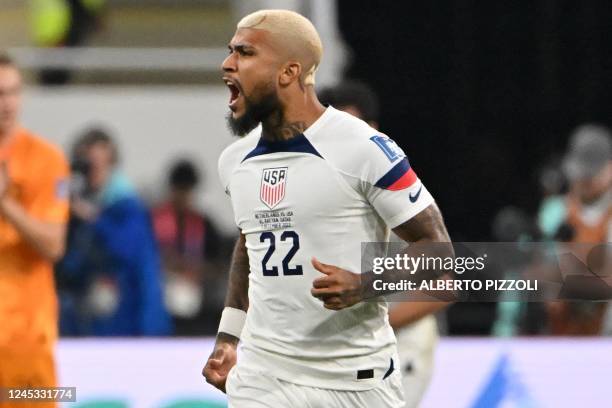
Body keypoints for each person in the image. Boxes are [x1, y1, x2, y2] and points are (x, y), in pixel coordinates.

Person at [202, 10, 451, 408]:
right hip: (265, 378)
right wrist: (229, 338)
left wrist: (366, 283)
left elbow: (440, 253)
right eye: (230, 51)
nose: (227, 64)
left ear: (289, 71)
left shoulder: (366, 148)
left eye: (245, 53)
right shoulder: (234, 161)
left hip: (356, 381)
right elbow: (249, 244)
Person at [0, 53, 69, 407]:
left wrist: (6, 203)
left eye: (12, 92)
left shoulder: (46, 159)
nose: (6, 103)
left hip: (26, 343)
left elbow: (54, 246)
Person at [56, 128, 171, 336]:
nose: (92, 172)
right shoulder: (77, 208)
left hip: (131, 317)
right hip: (89, 318)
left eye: (98, 164)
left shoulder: (126, 205)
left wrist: (93, 218)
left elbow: (126, 251)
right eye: (86, 165)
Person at [152, 159, 229, 335]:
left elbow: (219, 264)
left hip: (196, 290)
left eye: (187, 190)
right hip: (160, 286)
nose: (183, 196)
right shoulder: (154, 220)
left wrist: (195, 270)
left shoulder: (204, 224)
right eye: (179, 190)